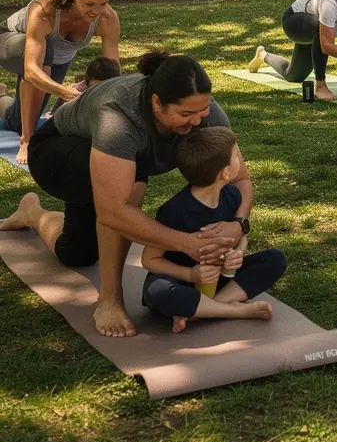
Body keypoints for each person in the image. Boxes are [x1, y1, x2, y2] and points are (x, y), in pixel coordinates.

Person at [0, 53, 244, 337]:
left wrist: (239, 225)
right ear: (156, 103)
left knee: (77, 253)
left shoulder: (205, 110)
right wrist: (185, 243)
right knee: (131, 181)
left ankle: (32, 211)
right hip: (58, 154)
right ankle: (109, 299)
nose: (198, 120)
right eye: (186, 114)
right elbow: (113, 212)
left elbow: (240, 178)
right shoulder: (118, 115)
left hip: (108, 161)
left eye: (202, 110)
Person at [141, 126, 286, 333]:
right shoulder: (175, 211)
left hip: (222, 282)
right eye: (237, 154)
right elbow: (149, 260)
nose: (240, 157)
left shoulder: (232, 196)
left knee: (275, 259)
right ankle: (234, 311)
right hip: (182, 282)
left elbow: (242, 237)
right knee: (158, 291)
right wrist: (191, 274)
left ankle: (205, 309)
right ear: (225, 173)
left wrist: (239, 252)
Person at [0, 0, 120, 165]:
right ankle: (27, 141)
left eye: (103, 3)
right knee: (45, 56)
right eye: (90, 4)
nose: (97, 11)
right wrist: (64, 92)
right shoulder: (45, 9)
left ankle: (2, 96)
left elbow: (112, 70)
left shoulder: (108, 18)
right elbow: (31, 69)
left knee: (17, 122)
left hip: (55, 58)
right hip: (9, 42)